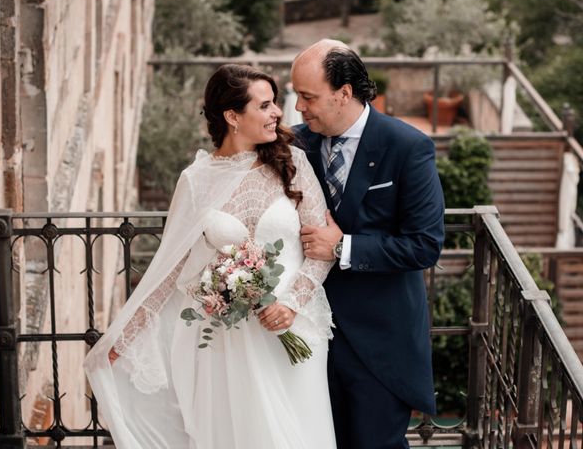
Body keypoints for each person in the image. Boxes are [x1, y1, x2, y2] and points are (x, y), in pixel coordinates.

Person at [84, 64, 337, 449]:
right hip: (228, 341)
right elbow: (170, 269)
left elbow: (321, 251)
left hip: (294, 328)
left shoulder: (294, 163)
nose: (277, 113)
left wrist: (290, 303)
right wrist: (122, 339)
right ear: (233, 116)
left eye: (274, 105)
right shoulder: (196, 180)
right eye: (265, 105)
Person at [291, 39, 445, 449]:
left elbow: (425, 244)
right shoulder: (294, 145)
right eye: (295, 96)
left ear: (344, 93)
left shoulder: (408, 147)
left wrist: (343, 249)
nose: (299, 108)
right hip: (307, 338)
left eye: (308, 97)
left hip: (379, 344)